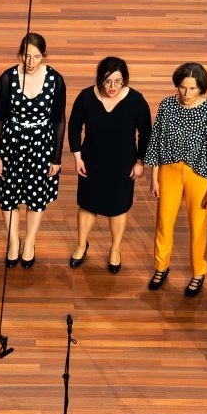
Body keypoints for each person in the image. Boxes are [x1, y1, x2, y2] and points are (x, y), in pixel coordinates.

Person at [0, 32, 67, 266]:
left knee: (36, 196)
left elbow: (59, 120)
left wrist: (56, 157)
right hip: (11, 144)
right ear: (20, 54)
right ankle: (13, 242)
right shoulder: (7, 78)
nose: (30, 62)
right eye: (27, 56)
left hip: (41, 146)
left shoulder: (56, 80)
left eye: (36, 57)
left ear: (44, 56)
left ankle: (29, 242)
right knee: (8, 196)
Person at [143, 62, 207, 296]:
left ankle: (198, 272)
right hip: (168, 170)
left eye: (193, 88)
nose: (186, 94)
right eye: (182, 87)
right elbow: (157, 141)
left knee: (198, 227)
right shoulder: (167, 105)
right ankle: (161, 266)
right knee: (164, 222)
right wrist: (154, 177)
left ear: (201, 88)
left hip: (199, 174)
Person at [66, 56, 151, 273]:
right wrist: (77, 157)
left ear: (125, 81)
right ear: (99, 79)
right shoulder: (86, 97)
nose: (112, 87)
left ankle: (115, 249)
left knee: (118, 208)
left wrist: (140, 161)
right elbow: (74, 126)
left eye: (117, 82)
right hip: (91, 161)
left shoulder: (136, 100)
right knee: (87, 205)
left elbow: (146, 133)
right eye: (107, 82)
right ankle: (81, 245)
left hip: (122, 164)